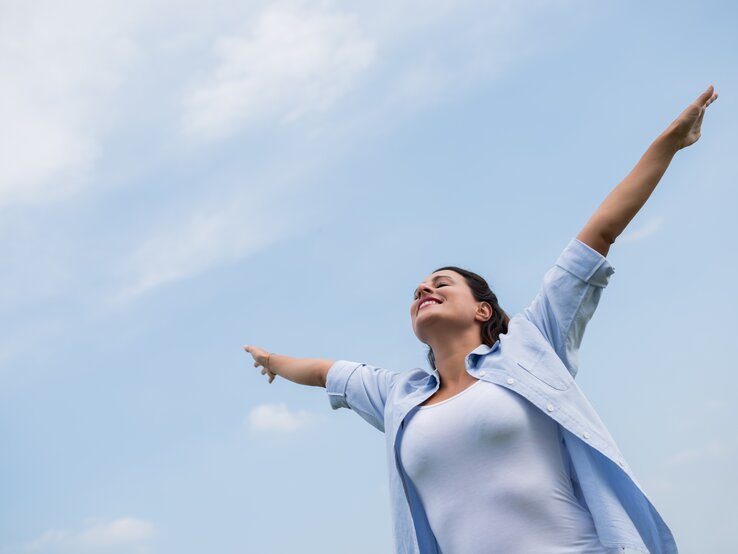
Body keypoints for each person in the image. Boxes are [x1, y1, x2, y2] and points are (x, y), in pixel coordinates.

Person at [244, 85, 718, 554]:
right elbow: (327, 372)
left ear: (482, 309)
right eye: (417, 291)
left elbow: (597, 236)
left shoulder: (531, 345)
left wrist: (667, 146)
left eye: (441, 283)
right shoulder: (397, 397)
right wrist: (272, 360)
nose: (425, 290)